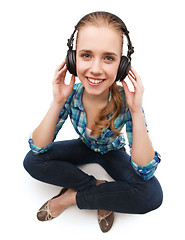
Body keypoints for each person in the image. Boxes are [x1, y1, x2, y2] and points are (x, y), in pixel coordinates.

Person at [23, 11, 163, 233]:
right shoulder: (71, 95)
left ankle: (71, 198)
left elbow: (144, 171)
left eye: (108, 58)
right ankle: (99, 190)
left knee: (152, 195)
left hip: (112, 153)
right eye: (86, 55)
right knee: (31, 161)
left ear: (122, 65)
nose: (96, 69)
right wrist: (57, 101)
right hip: (85, 148)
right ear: (72, 58)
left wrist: (136, 112)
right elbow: (38, 147)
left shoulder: (127, 102)